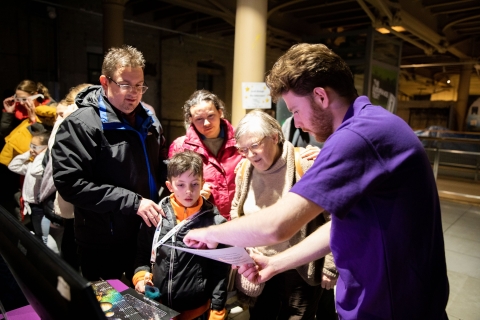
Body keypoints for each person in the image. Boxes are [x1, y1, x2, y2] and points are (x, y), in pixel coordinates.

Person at [183, 43, 449, 319]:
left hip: (390, 306)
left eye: (295, 111)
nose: (296, 124)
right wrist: (276, 263)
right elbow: (342, 225)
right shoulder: (372, 123)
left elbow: (278, 225)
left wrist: (207, 233)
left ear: (321, 96)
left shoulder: (357, 137)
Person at [52, 45, 167, 282]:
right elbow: (70, 183)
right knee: (109, 307)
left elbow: (156, 166)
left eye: (139, 85)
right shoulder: (81, 125)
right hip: (104, 241)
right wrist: (133, 202)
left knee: (145, 305)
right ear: (105, 82)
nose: (134, 93)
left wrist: (178, 177)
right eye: (125, 84)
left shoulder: (149, 120)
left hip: (146, 235)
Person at [230, 110, 336, 319]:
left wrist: (331, 266)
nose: (250, 155)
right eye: (243, 149)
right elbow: (237, 209)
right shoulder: (244, 169)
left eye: (254, 146)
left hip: (298, 269)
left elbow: (335, 217)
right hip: (258, 266)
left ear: (275, 137)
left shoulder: (305, 164)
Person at [133, 150, 229, 320]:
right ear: (169, 186)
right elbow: (142, 254)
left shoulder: (215, 222)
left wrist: (217, 308)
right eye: (181, 185)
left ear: (203, 183)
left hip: (196, 311)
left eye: (194, 184)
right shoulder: (156, 216)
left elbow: (220, 271)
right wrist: (141, 277)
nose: (189, 192)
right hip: (158, 308)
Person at [39, 83, 92, 269]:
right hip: (75, 200)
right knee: (74, 252)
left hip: (71, 201)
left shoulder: (66, 120)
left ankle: (72, 290)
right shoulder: (72, 120)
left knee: (70, 250)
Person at [169, 89, 243, 220]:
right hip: (202, 221)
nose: (206, 123)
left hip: (240, 219)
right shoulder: (180, 147)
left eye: (211, 116)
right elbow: (175, 190)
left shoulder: (241, 140)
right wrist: (194, 195)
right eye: (199, 119)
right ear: (190, 119)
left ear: (220, 113)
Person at [8, 130, 51, 244]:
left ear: (46, 148)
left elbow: (35, 172)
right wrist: (29, 153)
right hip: (29, 206)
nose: (32, 149)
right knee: (36, 233)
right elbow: (13, 166)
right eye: (30, 146)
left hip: (39, 207)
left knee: (42, 236)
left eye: (35, 147)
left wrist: (44, 154)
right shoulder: (31, 165)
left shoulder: (42, 168)